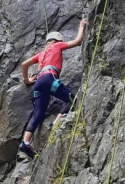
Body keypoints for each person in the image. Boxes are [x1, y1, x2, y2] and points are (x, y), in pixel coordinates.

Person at [19, 20, 87, 158]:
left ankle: (25, 142)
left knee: (38, 115)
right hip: (49, 78)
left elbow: (24, 65)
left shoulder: (41, 54)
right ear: (57, 40)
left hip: (38, 83)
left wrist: (27, 81)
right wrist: (81, 26)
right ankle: (56, 122)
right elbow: (77, 41)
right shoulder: (57, 46)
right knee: (71, 100)